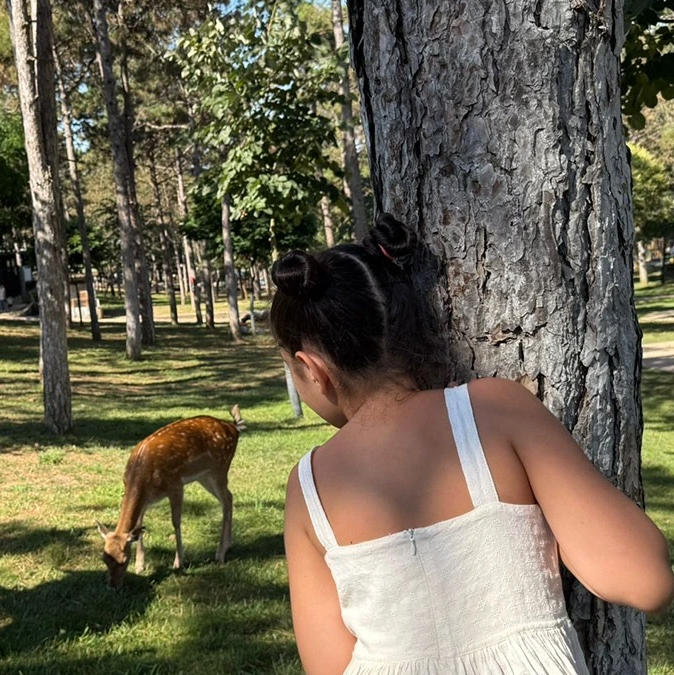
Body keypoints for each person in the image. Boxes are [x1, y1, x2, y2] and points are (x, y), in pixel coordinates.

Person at [275, 214, 674, 675]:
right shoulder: (494, 411)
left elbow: (328, 667)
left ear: (313, 368)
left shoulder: (310, 489)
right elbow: (645, 581)